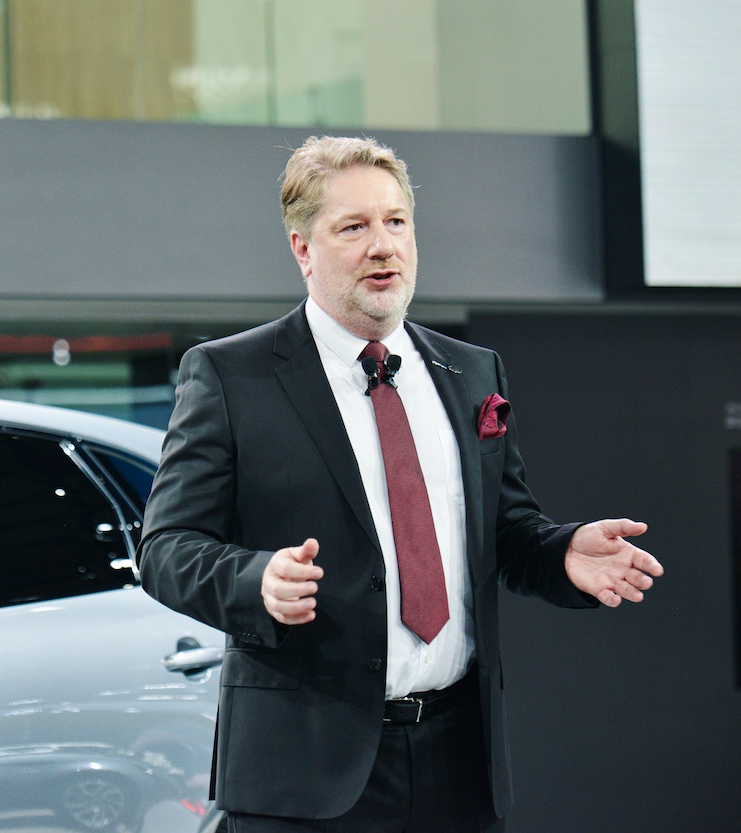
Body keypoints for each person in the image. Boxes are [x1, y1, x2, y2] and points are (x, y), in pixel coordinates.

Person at [137, 135, 663, 833]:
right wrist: (255, 581)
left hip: (459, 761)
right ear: (302, 249)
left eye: (395, 221)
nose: (383, 245)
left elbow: (506, 531)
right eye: (353, 227)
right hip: (305, 769)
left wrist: (561, 553)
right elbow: (165, 549)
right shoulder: (232, 376)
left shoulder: (471, 372)